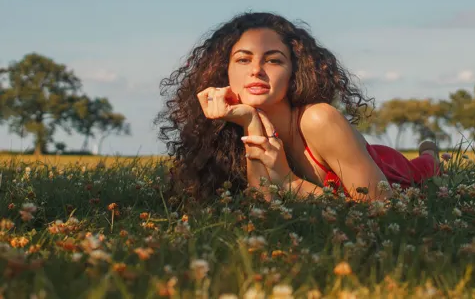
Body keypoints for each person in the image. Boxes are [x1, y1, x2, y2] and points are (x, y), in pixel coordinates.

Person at [157, 12, 443, 202]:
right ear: (224, 72)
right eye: (243, 60)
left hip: (391, 172)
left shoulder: (319, 119)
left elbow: (382, 206)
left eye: (274, 60)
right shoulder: (237, 128)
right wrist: (248, 120)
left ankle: (430, 153)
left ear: (295, 71)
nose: (256, 70)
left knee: (425, 169)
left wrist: (291, 184)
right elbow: (263, 203)